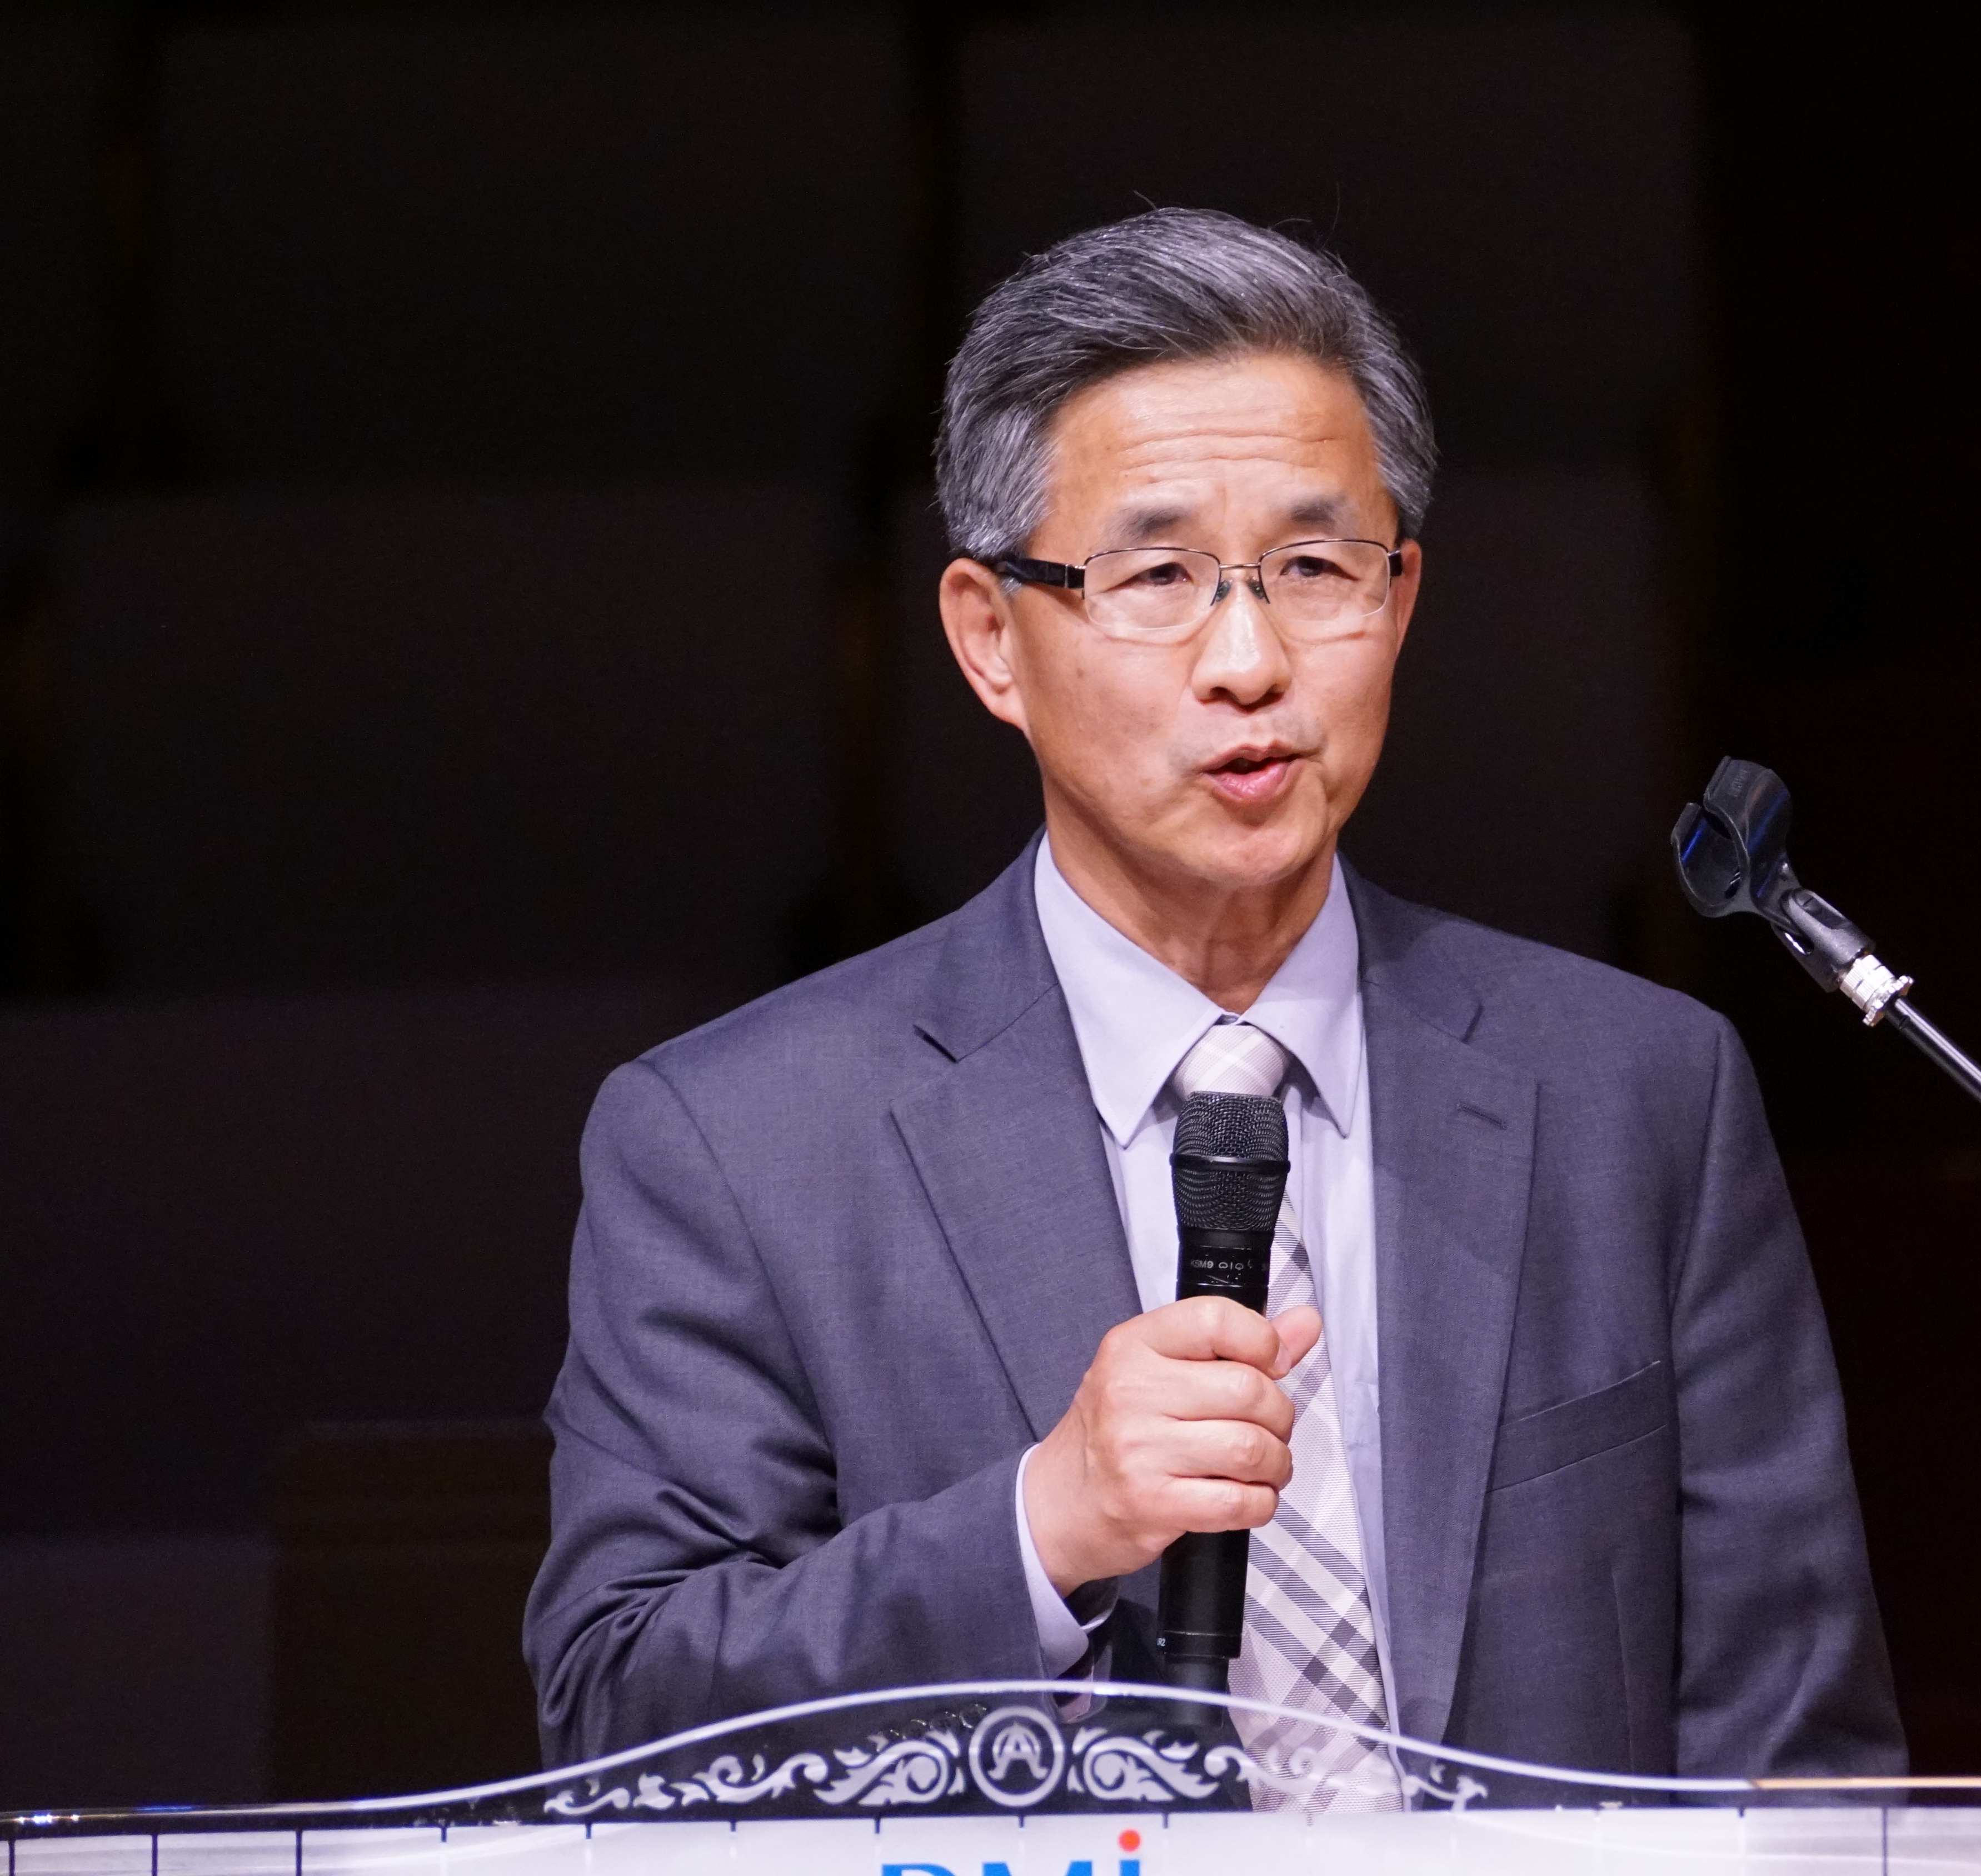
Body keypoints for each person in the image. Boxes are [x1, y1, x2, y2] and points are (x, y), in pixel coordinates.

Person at [522, 208, 1902, 1804]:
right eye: (1158, 575)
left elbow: (1802, 1762)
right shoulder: (739, 1142)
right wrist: (1042, 1526)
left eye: (1315, 569)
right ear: (989, 639)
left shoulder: (1638, 1096)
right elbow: (622, 1718)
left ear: (1400, 599)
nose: (1249, 660)